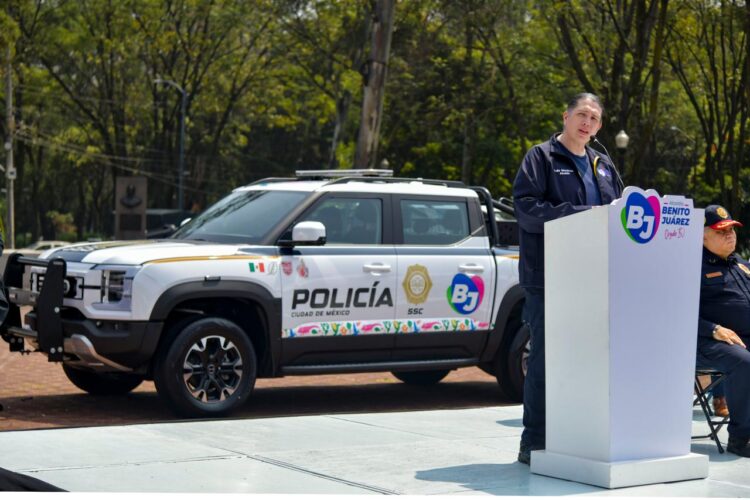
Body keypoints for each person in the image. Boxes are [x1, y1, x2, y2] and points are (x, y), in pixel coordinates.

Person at [512, 92, 623, 465]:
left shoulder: (603, 165)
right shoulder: (541, 157)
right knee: (545, 360)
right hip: (548, 277)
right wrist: (582, 214)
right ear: (565, 116)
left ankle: (580, 435)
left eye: (594, 118)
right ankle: (534, 440)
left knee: (590, 359)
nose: (587, 122)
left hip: (595, 278)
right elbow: (527, 210)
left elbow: (618, 214)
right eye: (582, 114)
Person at [696, 205, 750, 457]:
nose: (729, 235)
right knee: (744, 361)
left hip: (741, 338)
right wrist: (713, 328)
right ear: (702, 236)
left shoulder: (741, 265)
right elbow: (674, 310)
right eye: (721, 231)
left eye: (731, 230)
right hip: (707, 341)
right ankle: (741, 438)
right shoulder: (691, 267)